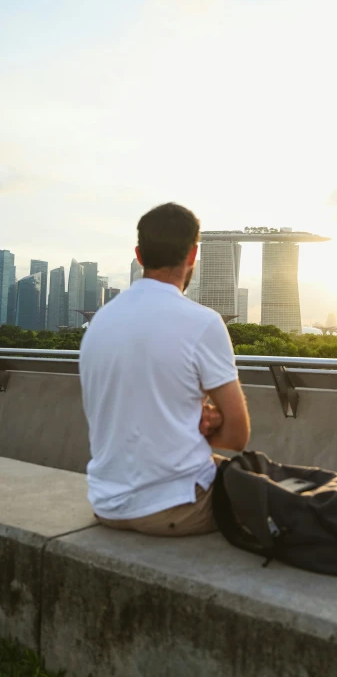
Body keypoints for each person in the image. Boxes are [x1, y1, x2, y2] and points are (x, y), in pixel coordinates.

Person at [79, 202, 250, 536]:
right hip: (177, 509)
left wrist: (189, 420)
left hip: (107, 504)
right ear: (192, 256)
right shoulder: (203, 323)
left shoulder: (98, 323)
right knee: (265, 489)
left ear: (139, 255)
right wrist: (211, 423)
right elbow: (237, 437)